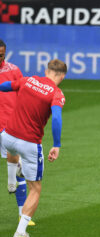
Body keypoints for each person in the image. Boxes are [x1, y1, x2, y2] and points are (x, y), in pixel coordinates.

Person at [0, 59, 67, 237]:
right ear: (62, 76)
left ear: (46, 70)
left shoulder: (28, 80)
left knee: (14, 153)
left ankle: (14, 176)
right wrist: (57, 144)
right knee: (35, 188)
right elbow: (56, 119)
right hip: (29, 144)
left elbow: (5, 86)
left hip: (7, 137)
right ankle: (21, 232)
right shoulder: (57, 93)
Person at [0, 39, 35, 226]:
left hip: (9, 123)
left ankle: (22, 215)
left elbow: (24, 92)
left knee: (16, 164)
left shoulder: (13, 69)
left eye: (2, 54)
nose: (0, 57)